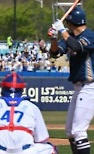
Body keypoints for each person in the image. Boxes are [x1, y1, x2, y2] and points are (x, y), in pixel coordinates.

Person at [0, 72, 57, 154]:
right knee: (51, 148)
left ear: (2, 87)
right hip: (27, 151)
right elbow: (42, 139)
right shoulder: (32, 107)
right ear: (22, 89)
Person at [48, 6, 94, 154]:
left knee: (79, 131)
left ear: (71, 22)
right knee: (70, 131)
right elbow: (55, 53)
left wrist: (61, 30)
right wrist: (54, 38)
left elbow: (77, 47)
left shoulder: (89, 35)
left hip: (90, 87)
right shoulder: (69, 36)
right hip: (78, 88)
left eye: (67, 22)